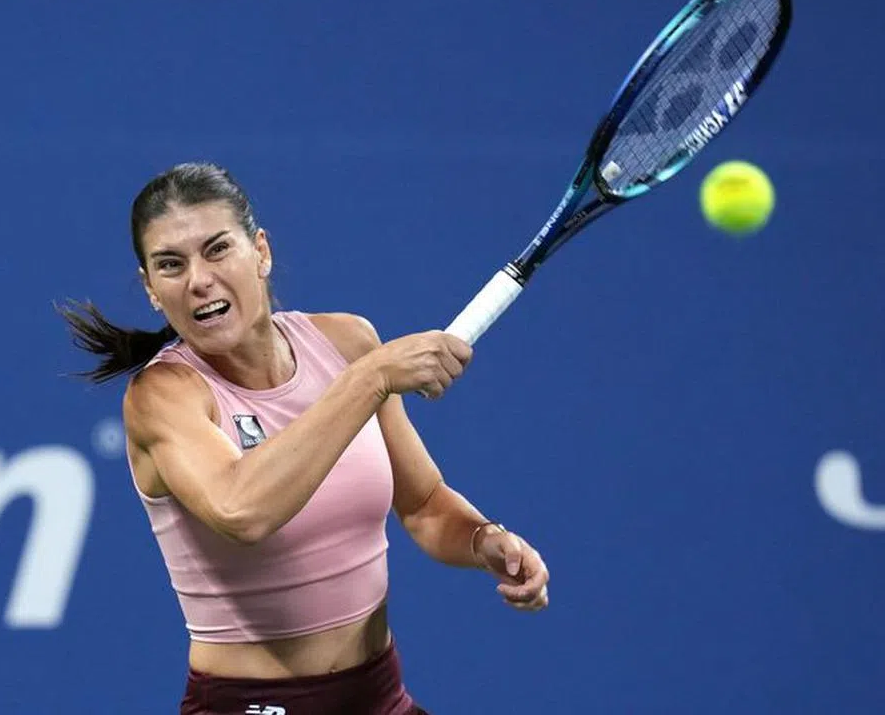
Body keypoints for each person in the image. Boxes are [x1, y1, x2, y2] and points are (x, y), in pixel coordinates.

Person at [60, 162, 550, 715]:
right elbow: (242, 509)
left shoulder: (347, 341)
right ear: (152, 289)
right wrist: (369, 379)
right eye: (171, 265)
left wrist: (485, 541)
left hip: (381, 696)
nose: (198, 280)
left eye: (217, 250)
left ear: (260, 252)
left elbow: (424, 504)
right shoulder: (162, 396)